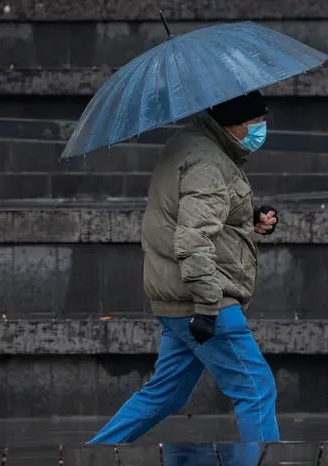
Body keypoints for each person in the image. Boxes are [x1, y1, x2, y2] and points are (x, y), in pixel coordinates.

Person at [88, 90, 280, 445]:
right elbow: (192, 239)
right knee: (255, 388)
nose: (261, 129)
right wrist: (207, 307)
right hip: (203, 300)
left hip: (177, 295)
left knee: (165, 394)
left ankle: (97, 453)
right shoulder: (207, 163)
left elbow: (193, 216)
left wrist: (248, 220)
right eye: (256, 121)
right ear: (232, 123)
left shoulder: (192, 144)